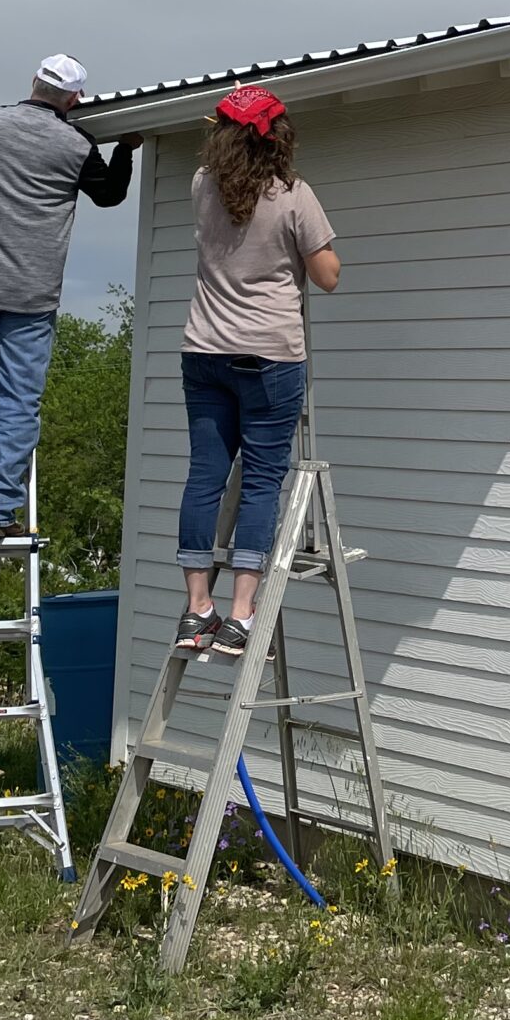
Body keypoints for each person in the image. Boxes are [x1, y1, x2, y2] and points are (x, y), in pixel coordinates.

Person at [0, 54, 139, 541]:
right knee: (18, 403)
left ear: (34, 82)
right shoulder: (76, 144)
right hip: (33, 297)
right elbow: (110, 195)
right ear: (74, 99)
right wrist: (125, 147)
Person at [176, 83, 339, 658]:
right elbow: (327, 276)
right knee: (263, 482)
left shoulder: (202, 186)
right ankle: (241, 618)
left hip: (204, 351)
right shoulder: (294, 196)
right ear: (279, 137)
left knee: (205, 476)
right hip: (268, 354)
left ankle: (198, 613)